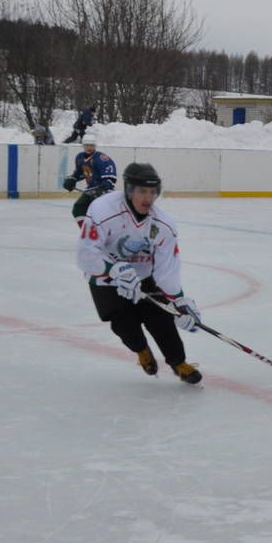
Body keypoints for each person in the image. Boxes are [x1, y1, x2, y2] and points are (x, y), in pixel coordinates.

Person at [75, 162, 203, 384]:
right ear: (129, 190)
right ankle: (142, 351)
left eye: (153, 192)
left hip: (144, 277)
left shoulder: (163, 225)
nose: (148, 198)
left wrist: (180, 301)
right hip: (105, 279)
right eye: (142, 191)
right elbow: (86, 255)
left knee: (161, 319)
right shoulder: (102, 209)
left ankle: (178, 362)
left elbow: (166, 269)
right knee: (124, 323)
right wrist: (114, 269)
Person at [63, 140, 118, 223]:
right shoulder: (80, 157)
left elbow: (111, 177)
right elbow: (80, 172)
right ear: (83, 146)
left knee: (101, 214)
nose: (89, 147)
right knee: (78, 208)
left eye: (91, 145)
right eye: (87, 145)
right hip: (90, 190)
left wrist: (103, 187)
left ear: (95, 146)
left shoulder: (101, 158)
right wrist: (73, 179)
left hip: (103, 190)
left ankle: (105, 232)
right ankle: (87, 232)